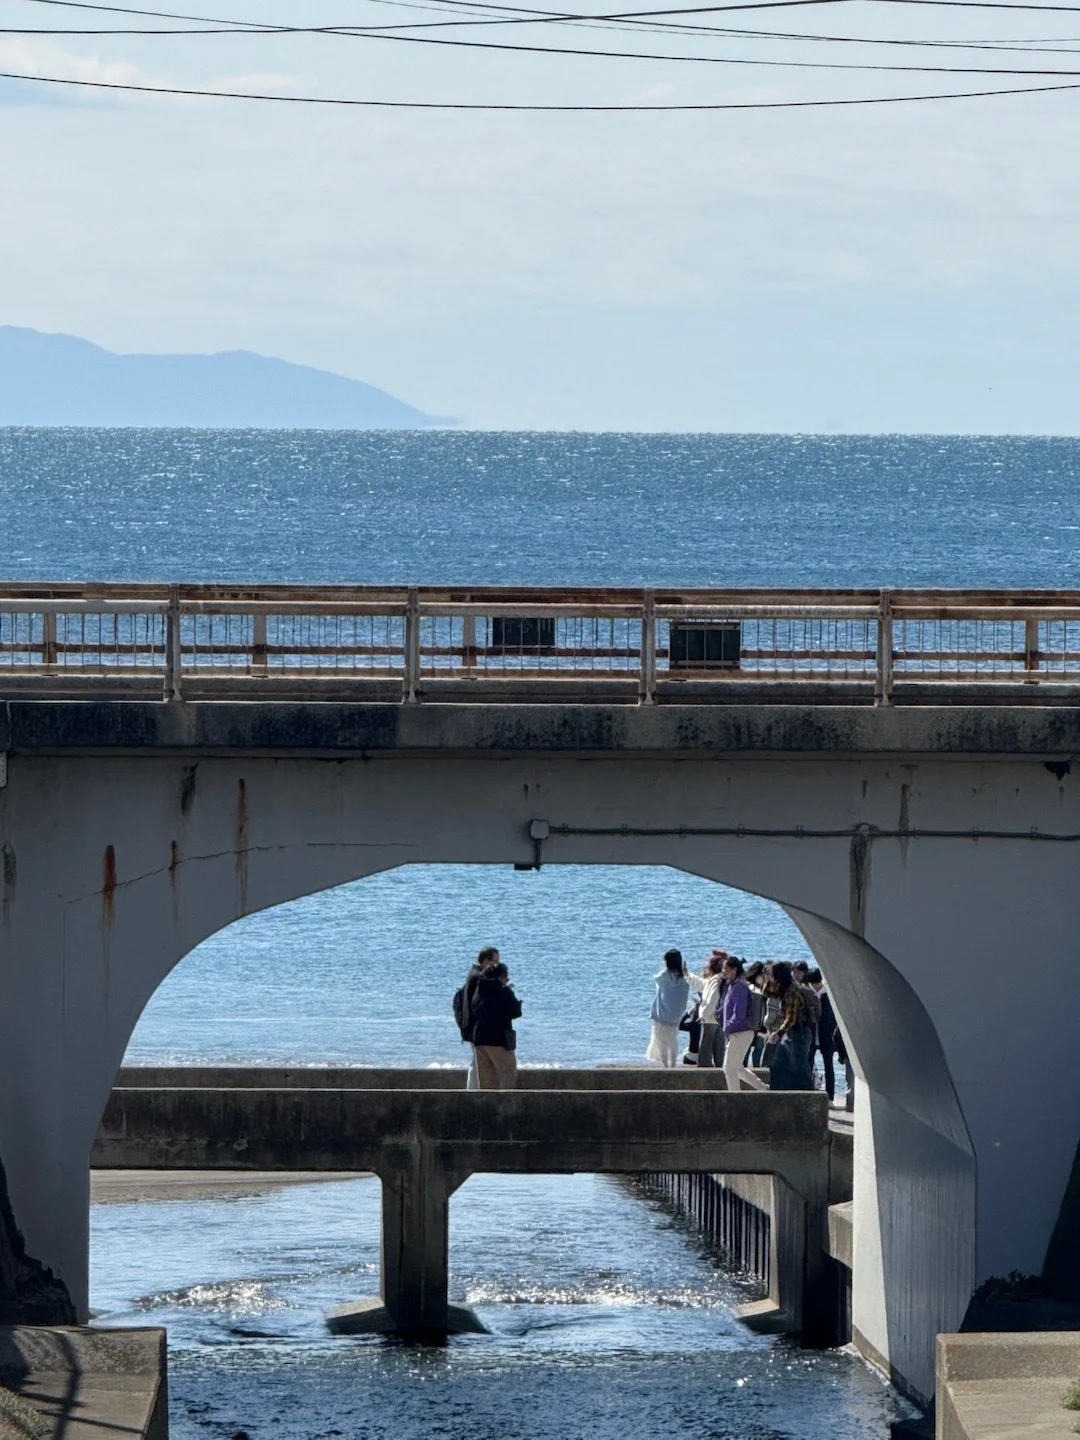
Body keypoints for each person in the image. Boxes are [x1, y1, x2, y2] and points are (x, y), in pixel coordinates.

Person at [762, 960, 814, 1091]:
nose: (772, 977)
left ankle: (807, 1096)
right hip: (791, 1034)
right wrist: (769, 980)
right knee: (778, 1065)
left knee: (800, 1069)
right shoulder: (784, 990)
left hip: (800, 1034)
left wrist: (778, 1033)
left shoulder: (792, 992)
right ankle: (780, 1093)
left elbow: (791, 1018)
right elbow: (767, 993)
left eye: (773, 975)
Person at [470, 961, 522, 1089]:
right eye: (506, 977)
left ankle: (487, 1107)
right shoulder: (502, 990)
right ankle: (506, 1106)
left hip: (479, 1039)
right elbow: (516, 1011)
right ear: (502, 977)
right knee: (507, 1073)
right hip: (498, 1039)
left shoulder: (479, 990)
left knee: (486, 1078)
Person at [719, 957, 767, 1092]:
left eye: (726, 969)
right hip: (738, 1032)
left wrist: (728, 1028)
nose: (723, 971)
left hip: (740, 1032)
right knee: (738, 1068)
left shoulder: (739, 986)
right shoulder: (732, 985)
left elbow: (738, 1014)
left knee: (729, 1068)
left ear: (734, 970)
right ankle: (763, 1088)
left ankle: (734, 1096)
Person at [458, 945, 501, 1090]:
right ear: (485, 961)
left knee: (476, 1063)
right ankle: (472, 1094)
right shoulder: (478, 977)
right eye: (495, 962)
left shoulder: (473, 974)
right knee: (478, 1064)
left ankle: (472, 1093)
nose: (497, 966)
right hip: (476, 1028)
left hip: (472, 1027)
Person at [647, 949, 690, 1067]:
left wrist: (666, 969)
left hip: (662, 1014)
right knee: (672, 1039)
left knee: (662, 1040)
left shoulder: (665, 975)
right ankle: (673, 1064)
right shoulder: (685, 977)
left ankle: (666, 1065)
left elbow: (656, 979)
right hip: (677, 1015)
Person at [687, 949, 729, 1068]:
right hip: (720, 1019)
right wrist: (687, 975)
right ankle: (721, 1067)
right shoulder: (718, 980)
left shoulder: (715, 981)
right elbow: (700, 983)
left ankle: (705, 1068)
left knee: (706, 1045)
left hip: (711, 1018)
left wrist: (704, 1015)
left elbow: (712, 1000)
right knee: (719, 1045)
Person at [806, 967, 839, 1101]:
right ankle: (808, 1092)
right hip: (812, 1035)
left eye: (816, 985)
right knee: (808, 1064)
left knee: (828, 1066)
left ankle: (830, 1096)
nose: (814, 987)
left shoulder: (829, 995)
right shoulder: (808, 993)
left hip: (827, 1036)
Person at [744, 961, 768, 1066]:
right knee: (747, 1049)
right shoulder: (749, 988)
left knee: (758, 1049)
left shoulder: (766, 989)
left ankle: (757, 1070)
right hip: (749, 1024)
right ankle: (743, 1069)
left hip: (761, 1025)